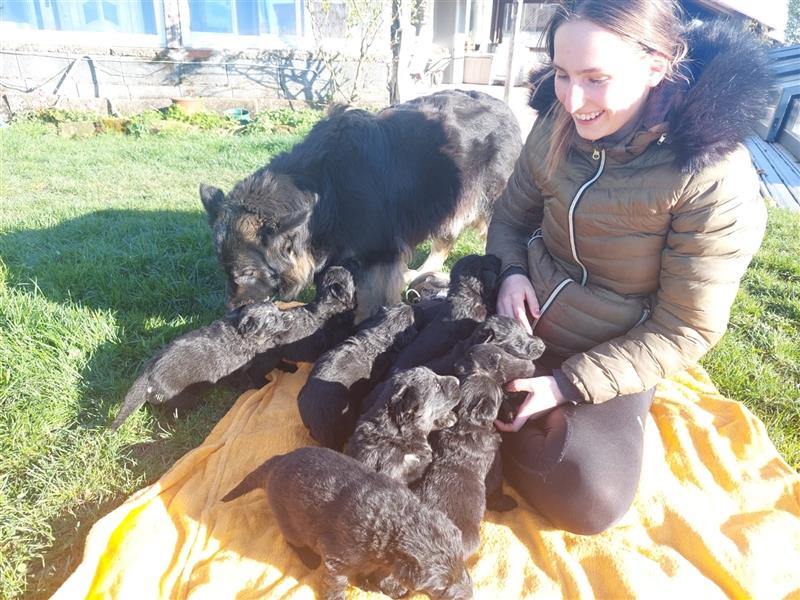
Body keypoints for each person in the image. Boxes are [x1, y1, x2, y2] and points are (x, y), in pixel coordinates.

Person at [486, 0, 770, 535]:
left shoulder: (711, 176)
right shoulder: (554, 124)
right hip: (520, 322)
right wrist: (510, 272)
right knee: (377, 392)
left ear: (656, 65)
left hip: (613, 350)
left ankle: (489, 430)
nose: (572, 100)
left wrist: (567, 386)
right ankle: (487, 430)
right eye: (563, 75)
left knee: (589, 498)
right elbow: (508, 220)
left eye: (596, 79)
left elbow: (687, 326)